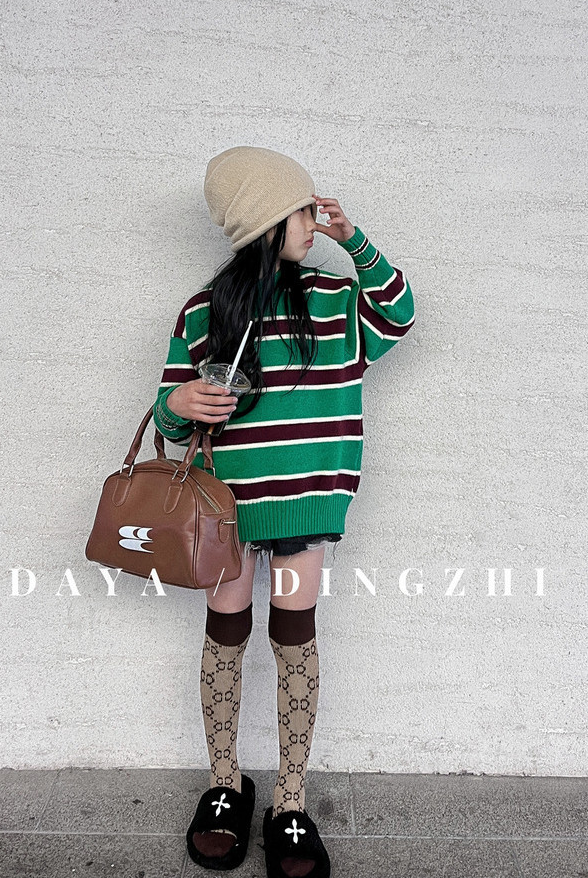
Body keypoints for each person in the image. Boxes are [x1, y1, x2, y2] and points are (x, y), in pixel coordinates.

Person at [152, 146, 415, 877]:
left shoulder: (333, 299)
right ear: (266, 219)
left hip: (305, 504)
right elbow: (168, 415)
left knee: (295, 638)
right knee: (224, 637)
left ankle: (290, 801)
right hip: (225, 513)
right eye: (302, 209)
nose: (312, 221)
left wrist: (355, 241)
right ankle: (225, 785)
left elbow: (399, 314)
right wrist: (180, 403)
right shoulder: (205, 311)